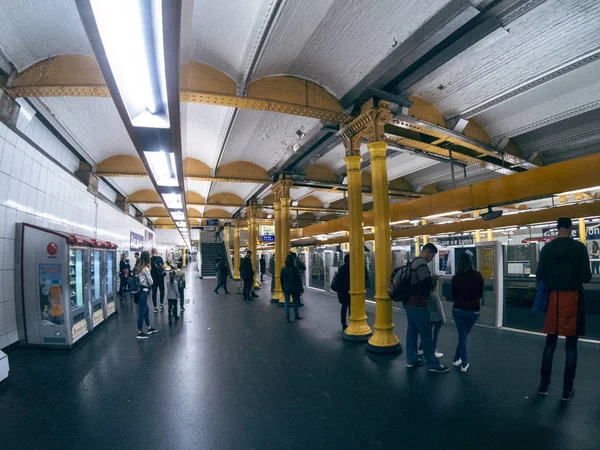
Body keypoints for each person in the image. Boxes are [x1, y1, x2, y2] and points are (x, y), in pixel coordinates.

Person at [537, 217, 592, 402]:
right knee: (571, 347)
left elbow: (540, 276)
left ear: (557, 228)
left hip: (554, 299)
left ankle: (543, 386)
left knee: (550, 344)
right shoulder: (579, 248)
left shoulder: (547, 249)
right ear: (571, 228)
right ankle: (566, 391)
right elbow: (586, 277)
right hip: (573, 300)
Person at [403, 243, 449, 373]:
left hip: (408, 302)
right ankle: (433, 364)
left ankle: (411, 359)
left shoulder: (413, 262)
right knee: (426, 333)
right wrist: (433, 279)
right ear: (427, 252)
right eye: (432, 256)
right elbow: (425, 284)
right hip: (418, 303)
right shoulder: (422, 264)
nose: (432, 259)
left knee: (412, 331)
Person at [451, 253, 484, 373]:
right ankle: (463, 363)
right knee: (463, 336)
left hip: (458, 309)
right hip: (473, 310)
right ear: (471, 262)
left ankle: (457, 359)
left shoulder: (456, 277)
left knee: (462, 336)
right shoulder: (478, 275)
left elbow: (453, 295)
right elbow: (480, 293)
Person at [418, 279, 445, 358]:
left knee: (425, 334)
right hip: (437, 319)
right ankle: (433, 351)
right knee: (435, 335)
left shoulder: (424, 296)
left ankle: (420, 349)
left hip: (427, 318)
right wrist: (443, 320)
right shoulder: (435, 297)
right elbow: (439, 309)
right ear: (434, 287)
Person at [136, 251, 158, 339]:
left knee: (147, 310)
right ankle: (139, 332)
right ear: (147, 258)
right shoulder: (145, 269)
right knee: (142, 312)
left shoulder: (139, 267)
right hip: (144, 293)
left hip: (142, 291)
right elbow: (151, 282)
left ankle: (149, 327)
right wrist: (149, 270)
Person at [280, 254, 303, 323]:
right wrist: (301, 288)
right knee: (295, 302)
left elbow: (282, 279)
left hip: (286, 288)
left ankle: (287, 318)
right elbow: (299, 279)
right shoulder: (295, 269)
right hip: (294, 288)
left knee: (286, 302)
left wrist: (283, 287)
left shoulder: (283, 269)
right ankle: (296, 315)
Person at [150, 248, 166, 313]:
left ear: (151, 252)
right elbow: (164, 267)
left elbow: (149, 268)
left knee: (154, 292)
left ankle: (155, 307)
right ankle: (161, 304)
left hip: (153, 278)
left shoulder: (150, 260)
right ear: (156, 252)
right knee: (162, 290)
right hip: (160, 277)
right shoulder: (160, 258)